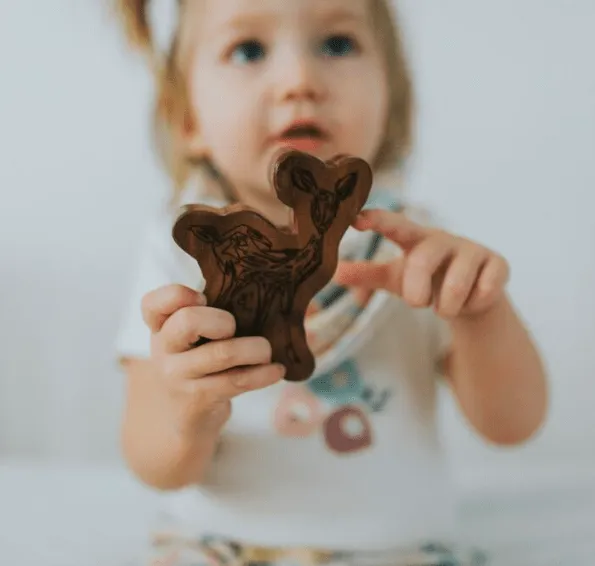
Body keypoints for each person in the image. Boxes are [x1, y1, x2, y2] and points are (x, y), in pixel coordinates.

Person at [113, 1, 548, 564]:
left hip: (399, 549)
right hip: (225, 544)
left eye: (338, 44)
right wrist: (183, 411)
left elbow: (514, 425)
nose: (299, 80)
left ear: (390, 94)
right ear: (188, 120)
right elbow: (152, 463)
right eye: (248, 50)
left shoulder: (420, 249)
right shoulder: (184, 254)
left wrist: (482, 316)